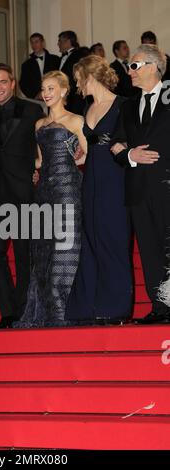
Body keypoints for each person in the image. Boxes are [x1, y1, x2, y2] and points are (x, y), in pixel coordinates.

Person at [14, 71, 86, 328]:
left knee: (64, 250)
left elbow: (87, 156)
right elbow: (41, 161)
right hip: (44, 192)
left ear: (64, 91)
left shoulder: (76, 120)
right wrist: (28, 167)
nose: (46, 93)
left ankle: (63, 310)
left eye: (51, 88)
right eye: (44, 88)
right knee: (44, 252)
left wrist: (75, 158)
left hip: (67, 189)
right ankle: (46, 309)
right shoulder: (39, 124)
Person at [66, 55, 133, 325]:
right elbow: (91, 145)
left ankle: (115, 307)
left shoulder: (124, 105)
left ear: (89, 76)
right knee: (91, 241)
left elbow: (131, 141)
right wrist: (81, 153)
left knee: (113, 241)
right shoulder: (86, 106)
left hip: (116, 180)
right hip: (91, 178)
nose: (76, 85)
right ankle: (89, 306)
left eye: (78, 79)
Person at [111, 44, 170, 324]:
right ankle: (161, 309)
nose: (129, 71)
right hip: (138, 191)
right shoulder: (128, 105)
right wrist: (130, 155)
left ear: (153, 67)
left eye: (134, 65)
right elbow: (115, 143)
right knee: (149, 252)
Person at [0, 63, 44, 328]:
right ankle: (9, 309)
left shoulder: (32, 110)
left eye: (2, 82)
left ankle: (21, 312)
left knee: (23, 255)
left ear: (12, 83)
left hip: (23, 192)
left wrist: (38, 169)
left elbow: (42, 143)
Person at [19, 32, 60, 100]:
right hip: (36, 100)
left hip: (54, 96)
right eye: (32, 42)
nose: (34, 45)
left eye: (36, 42)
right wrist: (35, 95)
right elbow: (23, 84)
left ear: (43, 43)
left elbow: (60, 78)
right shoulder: (26, 64)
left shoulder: (55, 60)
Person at [58, 30, 90, 114]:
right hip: (65, 97)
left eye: (60, 41)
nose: (58, 44)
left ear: (68, 41)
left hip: (75, 98)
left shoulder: (79, 55)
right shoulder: (59, 58)